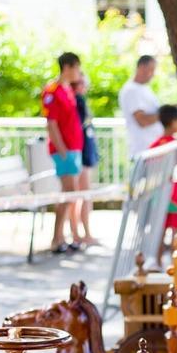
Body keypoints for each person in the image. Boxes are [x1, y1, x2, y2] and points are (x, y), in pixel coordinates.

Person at [41, 52, 84, 254]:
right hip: (64, 151)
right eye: (76, 67)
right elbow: (52, 123)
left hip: (74, 148)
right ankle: (56, 238)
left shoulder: (69, 90)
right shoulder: (53, 91)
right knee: (67, 193)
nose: (78, 72)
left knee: (70, 194)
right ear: (67, 67)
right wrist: (62, 150)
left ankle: (62, 236)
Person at [146, 104, 177, 270]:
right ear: (173, 122)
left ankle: (156, 263)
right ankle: (176, 266)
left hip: (159, 194)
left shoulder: (155, 145)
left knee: (160, 230)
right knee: (176, 232)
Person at [70, 72, 99, 247]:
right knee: (78, 195)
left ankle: (84, 232)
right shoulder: (75, 101)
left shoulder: (80, 101)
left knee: (84, 194)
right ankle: (78, 233)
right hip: (78, 152)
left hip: (85, 152)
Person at [118, 55, 159, 160]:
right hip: (143, 151)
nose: (153, 74)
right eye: (151, 70)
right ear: (141, 67)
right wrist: (165, 114)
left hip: (153, 150)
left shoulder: (145, 88)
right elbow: (142, 120)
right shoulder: (131, 90)